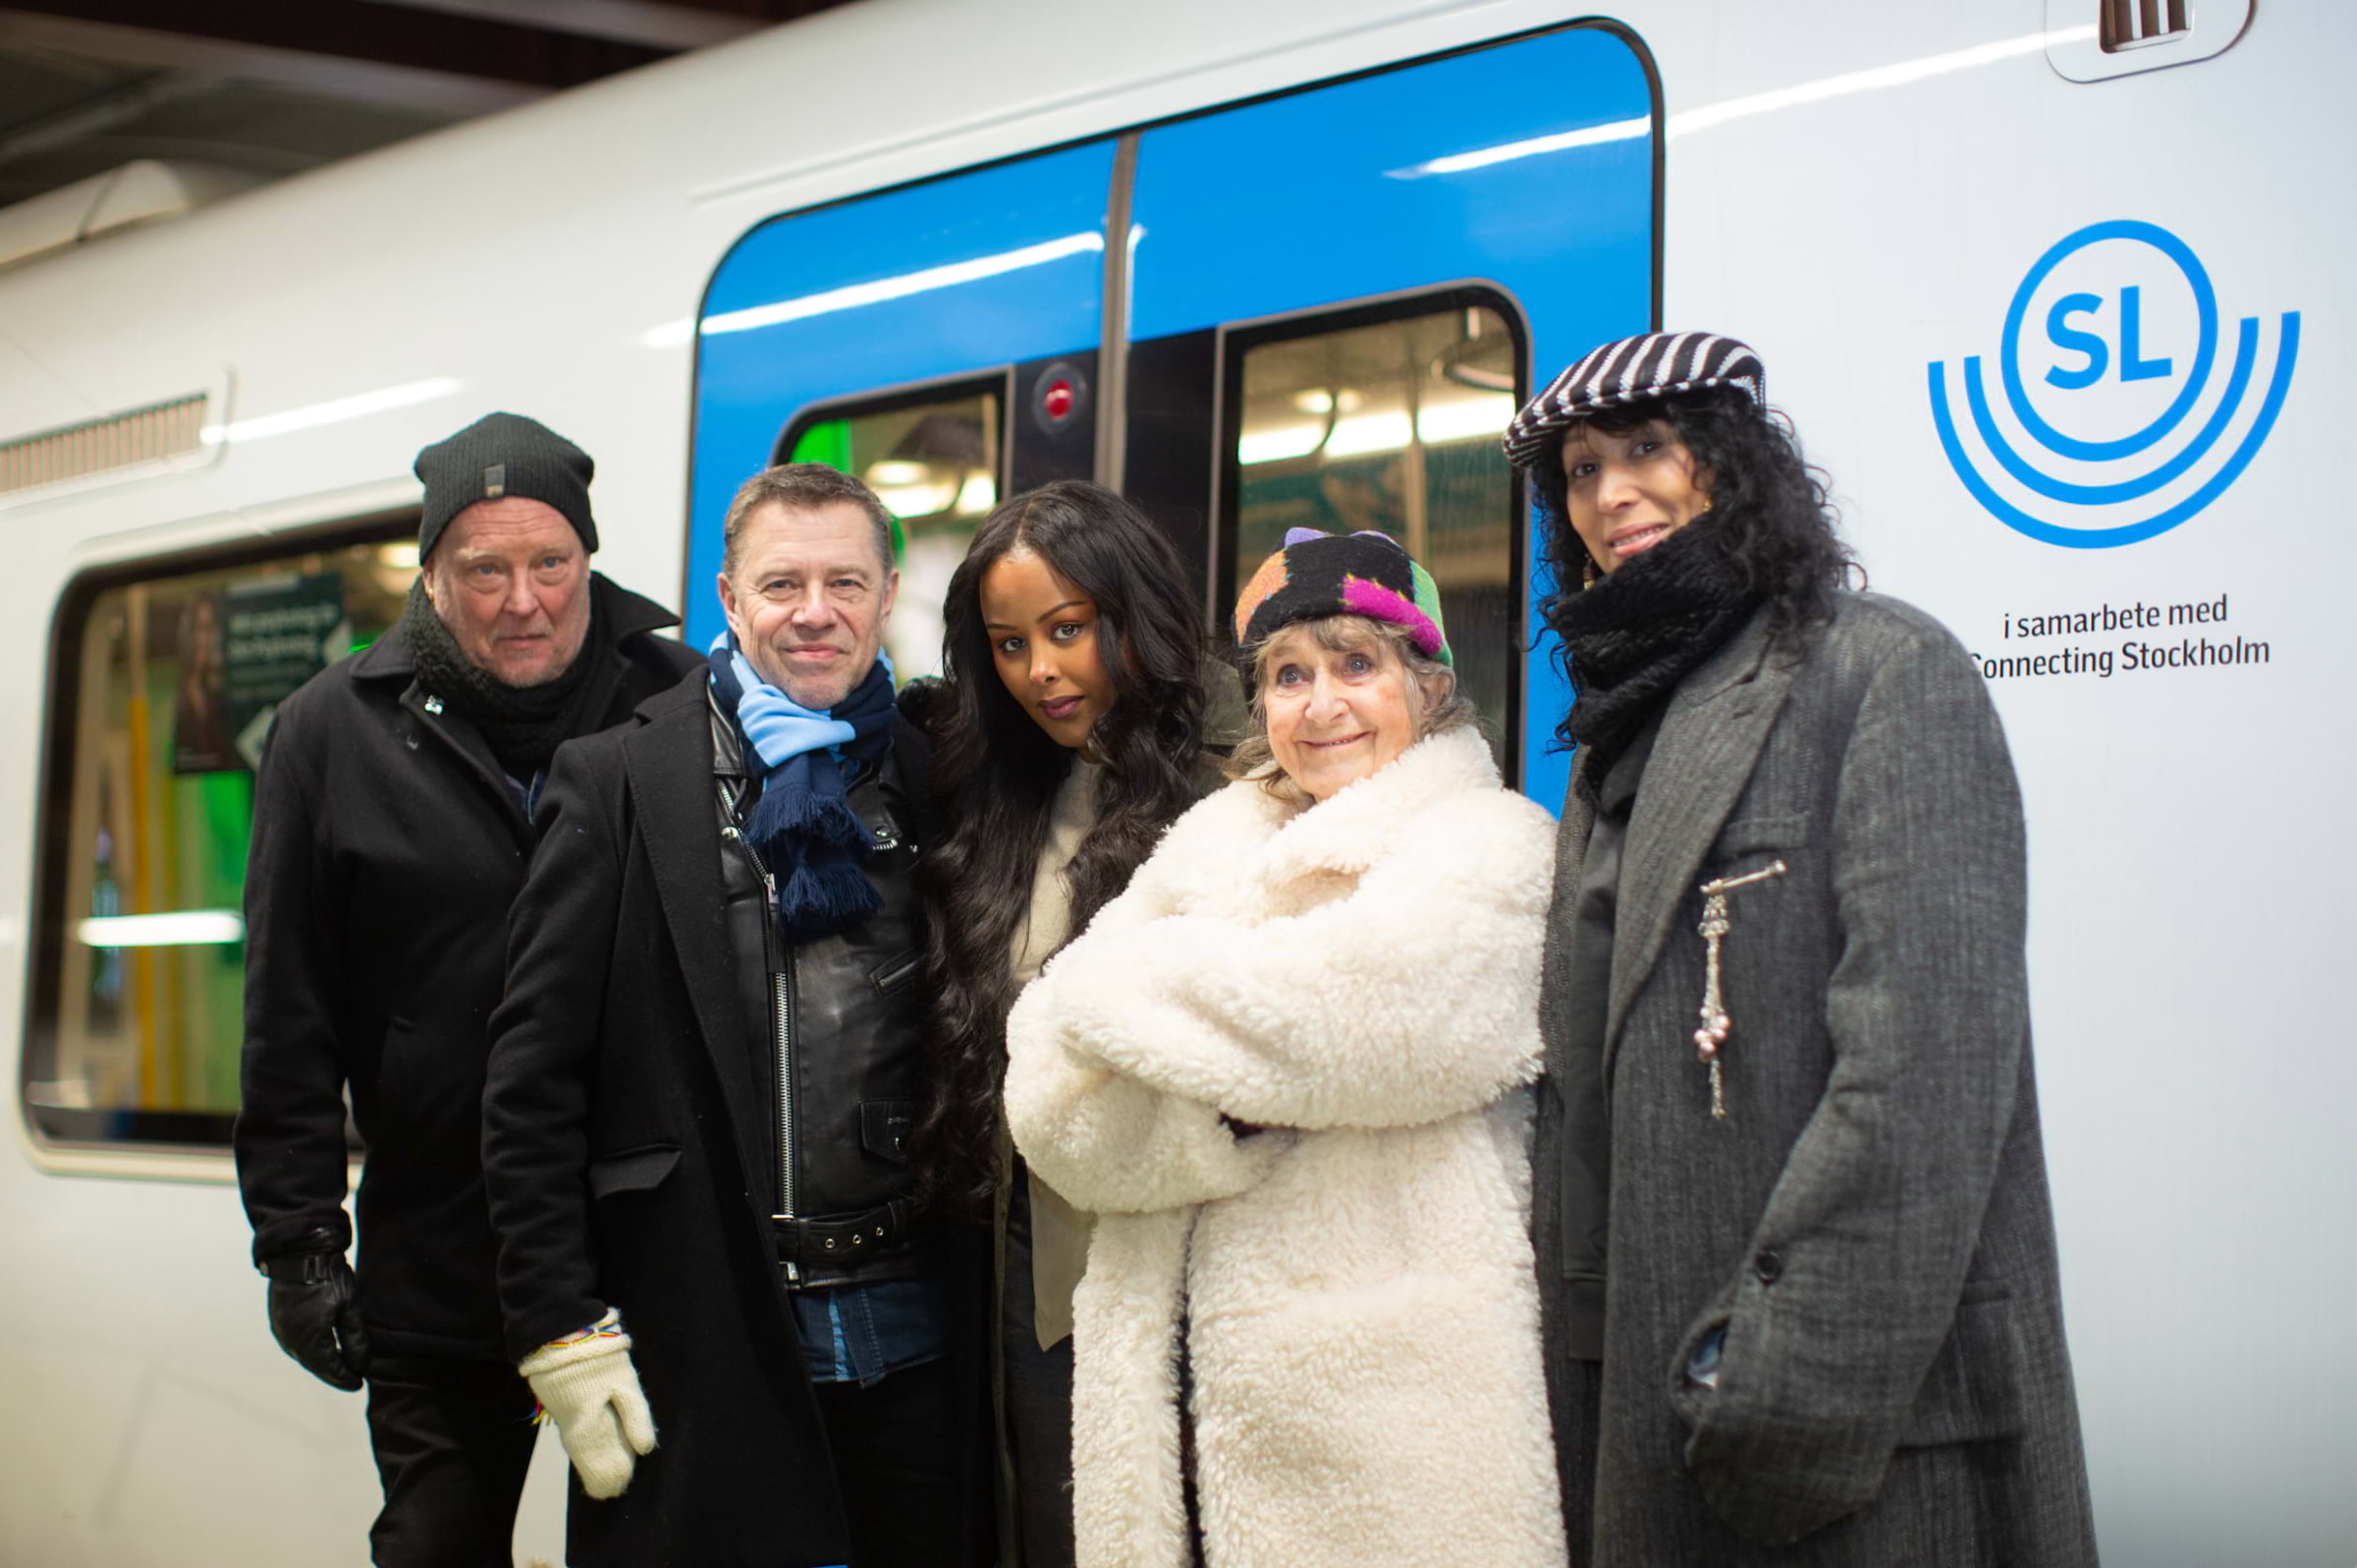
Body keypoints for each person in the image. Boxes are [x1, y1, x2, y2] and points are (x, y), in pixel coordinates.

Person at [1504, 332, 2100, 1565]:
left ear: (1730, 461)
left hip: (1846, 1423)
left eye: (1649, 448)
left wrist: (1769, 1380)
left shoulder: (1882, 670)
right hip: (1645, 1411)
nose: (1612, 493)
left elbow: (1926, 1076)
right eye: (1579, 469)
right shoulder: (1621, 737)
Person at [1003, 527, 1567, 1568]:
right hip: (1174, 1425)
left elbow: (1371, 1029)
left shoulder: (1496, 844)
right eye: (1287, 675)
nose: (1321, 705)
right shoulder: (1213, 844)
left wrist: (1125, 999)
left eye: (1358, 664)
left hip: (1392, 1418)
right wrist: (1224, 1097)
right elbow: (1047, 1102)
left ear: (1429, 685)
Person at [479, 462, 989, 1568]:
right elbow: (530, 1087)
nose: (816, 612)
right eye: (783, 583)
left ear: (888, 589)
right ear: (729, 596)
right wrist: (559, 1328)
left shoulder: (932, 772)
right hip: (708, 1327)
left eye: (846, 583)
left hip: (918, 1331)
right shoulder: (619, 779)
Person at [233, 411, 704, 1567]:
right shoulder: (328, 733)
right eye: (483, 570)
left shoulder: (675, 704)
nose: (523, 599)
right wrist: (298, 1248)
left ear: (588, 558)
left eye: (551, 563)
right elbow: (287, 1015)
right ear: (432, 578)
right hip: (441, 1261)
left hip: (647, 1251)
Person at [910, 480, 1217, 1568]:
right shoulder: (1010, 792)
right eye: (1007, 643)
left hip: (1193, 1274)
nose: (1039, 670)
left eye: (1068, 629)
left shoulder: (1236, 779)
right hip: (1031, 1277)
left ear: (1132, 611)